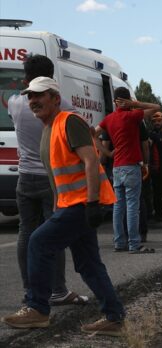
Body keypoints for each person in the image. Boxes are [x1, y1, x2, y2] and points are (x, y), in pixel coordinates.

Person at [1, 77, 126, 336]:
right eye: (30, 97)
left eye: (40, 96)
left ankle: (37, 308)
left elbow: (91, 160)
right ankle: (114, 317)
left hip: (82, 203)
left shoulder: (69, 121)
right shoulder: (49, 127)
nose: (33, 101)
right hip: (72, 203)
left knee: (38, 242)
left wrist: (92, 203)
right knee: (88, 264)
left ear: (55, 98)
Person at [8, 55, 89, 307]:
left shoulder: (15, 102)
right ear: (51, 79)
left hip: (24, 177)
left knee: (26, 234)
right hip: (53, 179)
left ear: (25, 78)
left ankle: (30, 288)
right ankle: (57, 290)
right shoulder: (62, 105)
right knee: (53, 235)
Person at [95, 88, 159, 254]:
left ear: (115, 101)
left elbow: (92, 134)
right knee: (132, 205)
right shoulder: (133, 116)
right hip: (132, 165)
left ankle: (119, 242)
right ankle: (134, 244)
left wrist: (107, 153)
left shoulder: (108, 119)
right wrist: (135, 104)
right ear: (127, 99)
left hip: (117, 167)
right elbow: (156, 107)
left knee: (118, 206)